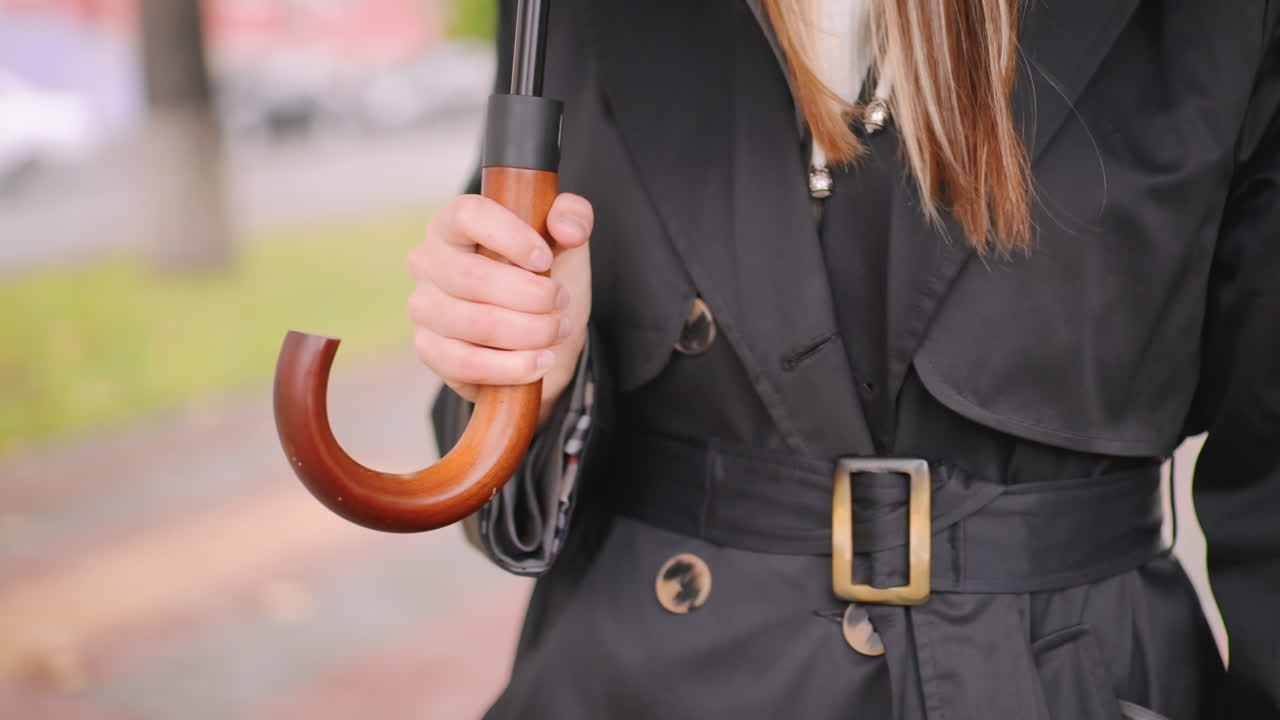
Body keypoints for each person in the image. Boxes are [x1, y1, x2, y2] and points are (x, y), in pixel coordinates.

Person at [409, 0, 1280, 717]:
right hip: (642, 678)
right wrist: (527, 371)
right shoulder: (570, 14)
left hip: (1056, 682)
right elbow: (494, 473)